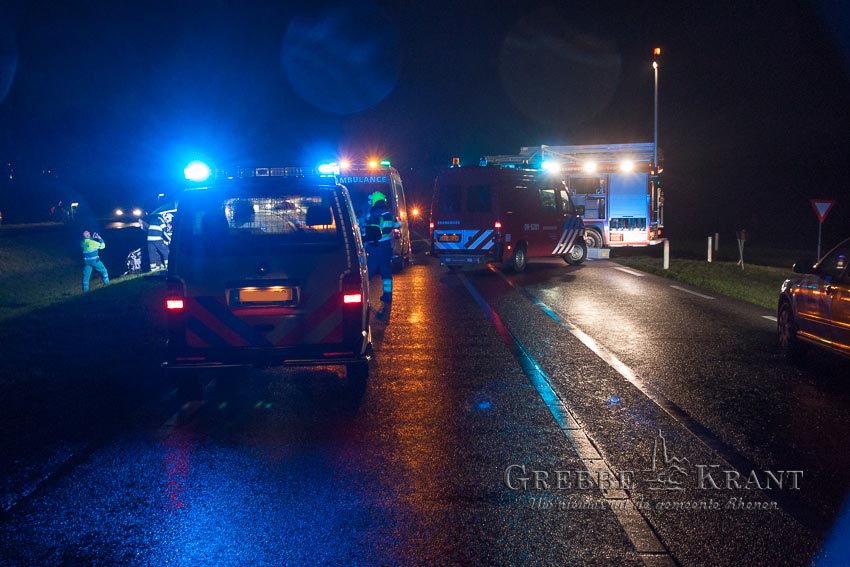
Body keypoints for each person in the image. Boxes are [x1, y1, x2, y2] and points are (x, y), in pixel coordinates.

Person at [362, 191, 396, 303]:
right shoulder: (389, 214)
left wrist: (363, 238)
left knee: (368, 272)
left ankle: (363, 296)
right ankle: (388, 295)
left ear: (374, 201)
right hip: (386, 247)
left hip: (375, 246)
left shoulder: (374, 214)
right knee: (386, 272)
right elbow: (397, 225)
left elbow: (372, 232)